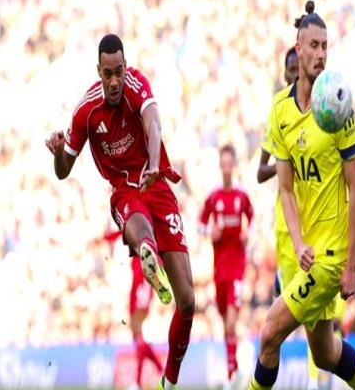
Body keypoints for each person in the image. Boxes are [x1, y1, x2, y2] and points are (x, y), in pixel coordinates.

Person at [248, 1, 355, 390]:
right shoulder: (280, 110)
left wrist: (351, 266)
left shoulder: (339, 105)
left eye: (325, 47)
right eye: (313, 46)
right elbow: (285, 189)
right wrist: (298, 243)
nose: (320, 54)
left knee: (269, 333)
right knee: (325, 353)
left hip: (330, 258)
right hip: (308, 254)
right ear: (298, 49)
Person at [45, 34, 194, 390]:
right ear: (99, 71)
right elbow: (64, 171)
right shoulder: (86, 111)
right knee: (138, 225)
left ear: (126, 67)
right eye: (108, 73)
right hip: (125, 191)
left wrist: (154, 163)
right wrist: (59, 153)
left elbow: (153, 122)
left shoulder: (136, 85)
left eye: (119, 72)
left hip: (155, 181)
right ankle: (148, 251)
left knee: (188, 302)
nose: (114, 81)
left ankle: (169, 383)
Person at [258, 45, 349, 390]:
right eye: (291, 69)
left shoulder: (323, 111)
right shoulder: (279, 113)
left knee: (306, 323)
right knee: (284, 324)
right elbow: (261, 172)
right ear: (285, 74)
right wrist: (285, 161)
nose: (295, 73)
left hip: (320, 232)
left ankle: (314, 382)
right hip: (288, 230)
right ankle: (314, 380)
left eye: (299, 67)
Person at [199, 144, 254, 389]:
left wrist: (248, 234)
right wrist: (209, 232)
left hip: (237, 268)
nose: (227, 168)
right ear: (220, 166)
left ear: (234, 165)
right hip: (219, 268)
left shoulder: (242, 196)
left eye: (230, 163)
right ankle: (233, 371)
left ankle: (233, 375)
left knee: (232, 323)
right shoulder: (214, 196)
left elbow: (253, 218)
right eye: (224, 163)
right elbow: (200, 223)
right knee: (225, 324)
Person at [102, 228, 163, 390]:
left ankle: (138, 382)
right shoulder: (148, 234)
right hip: (142, 284)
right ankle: (160, 371)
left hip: (141, 284)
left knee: (137, 333)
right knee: (137, 336)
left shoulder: (142, 230)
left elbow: (124, 230)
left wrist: (105, 238)